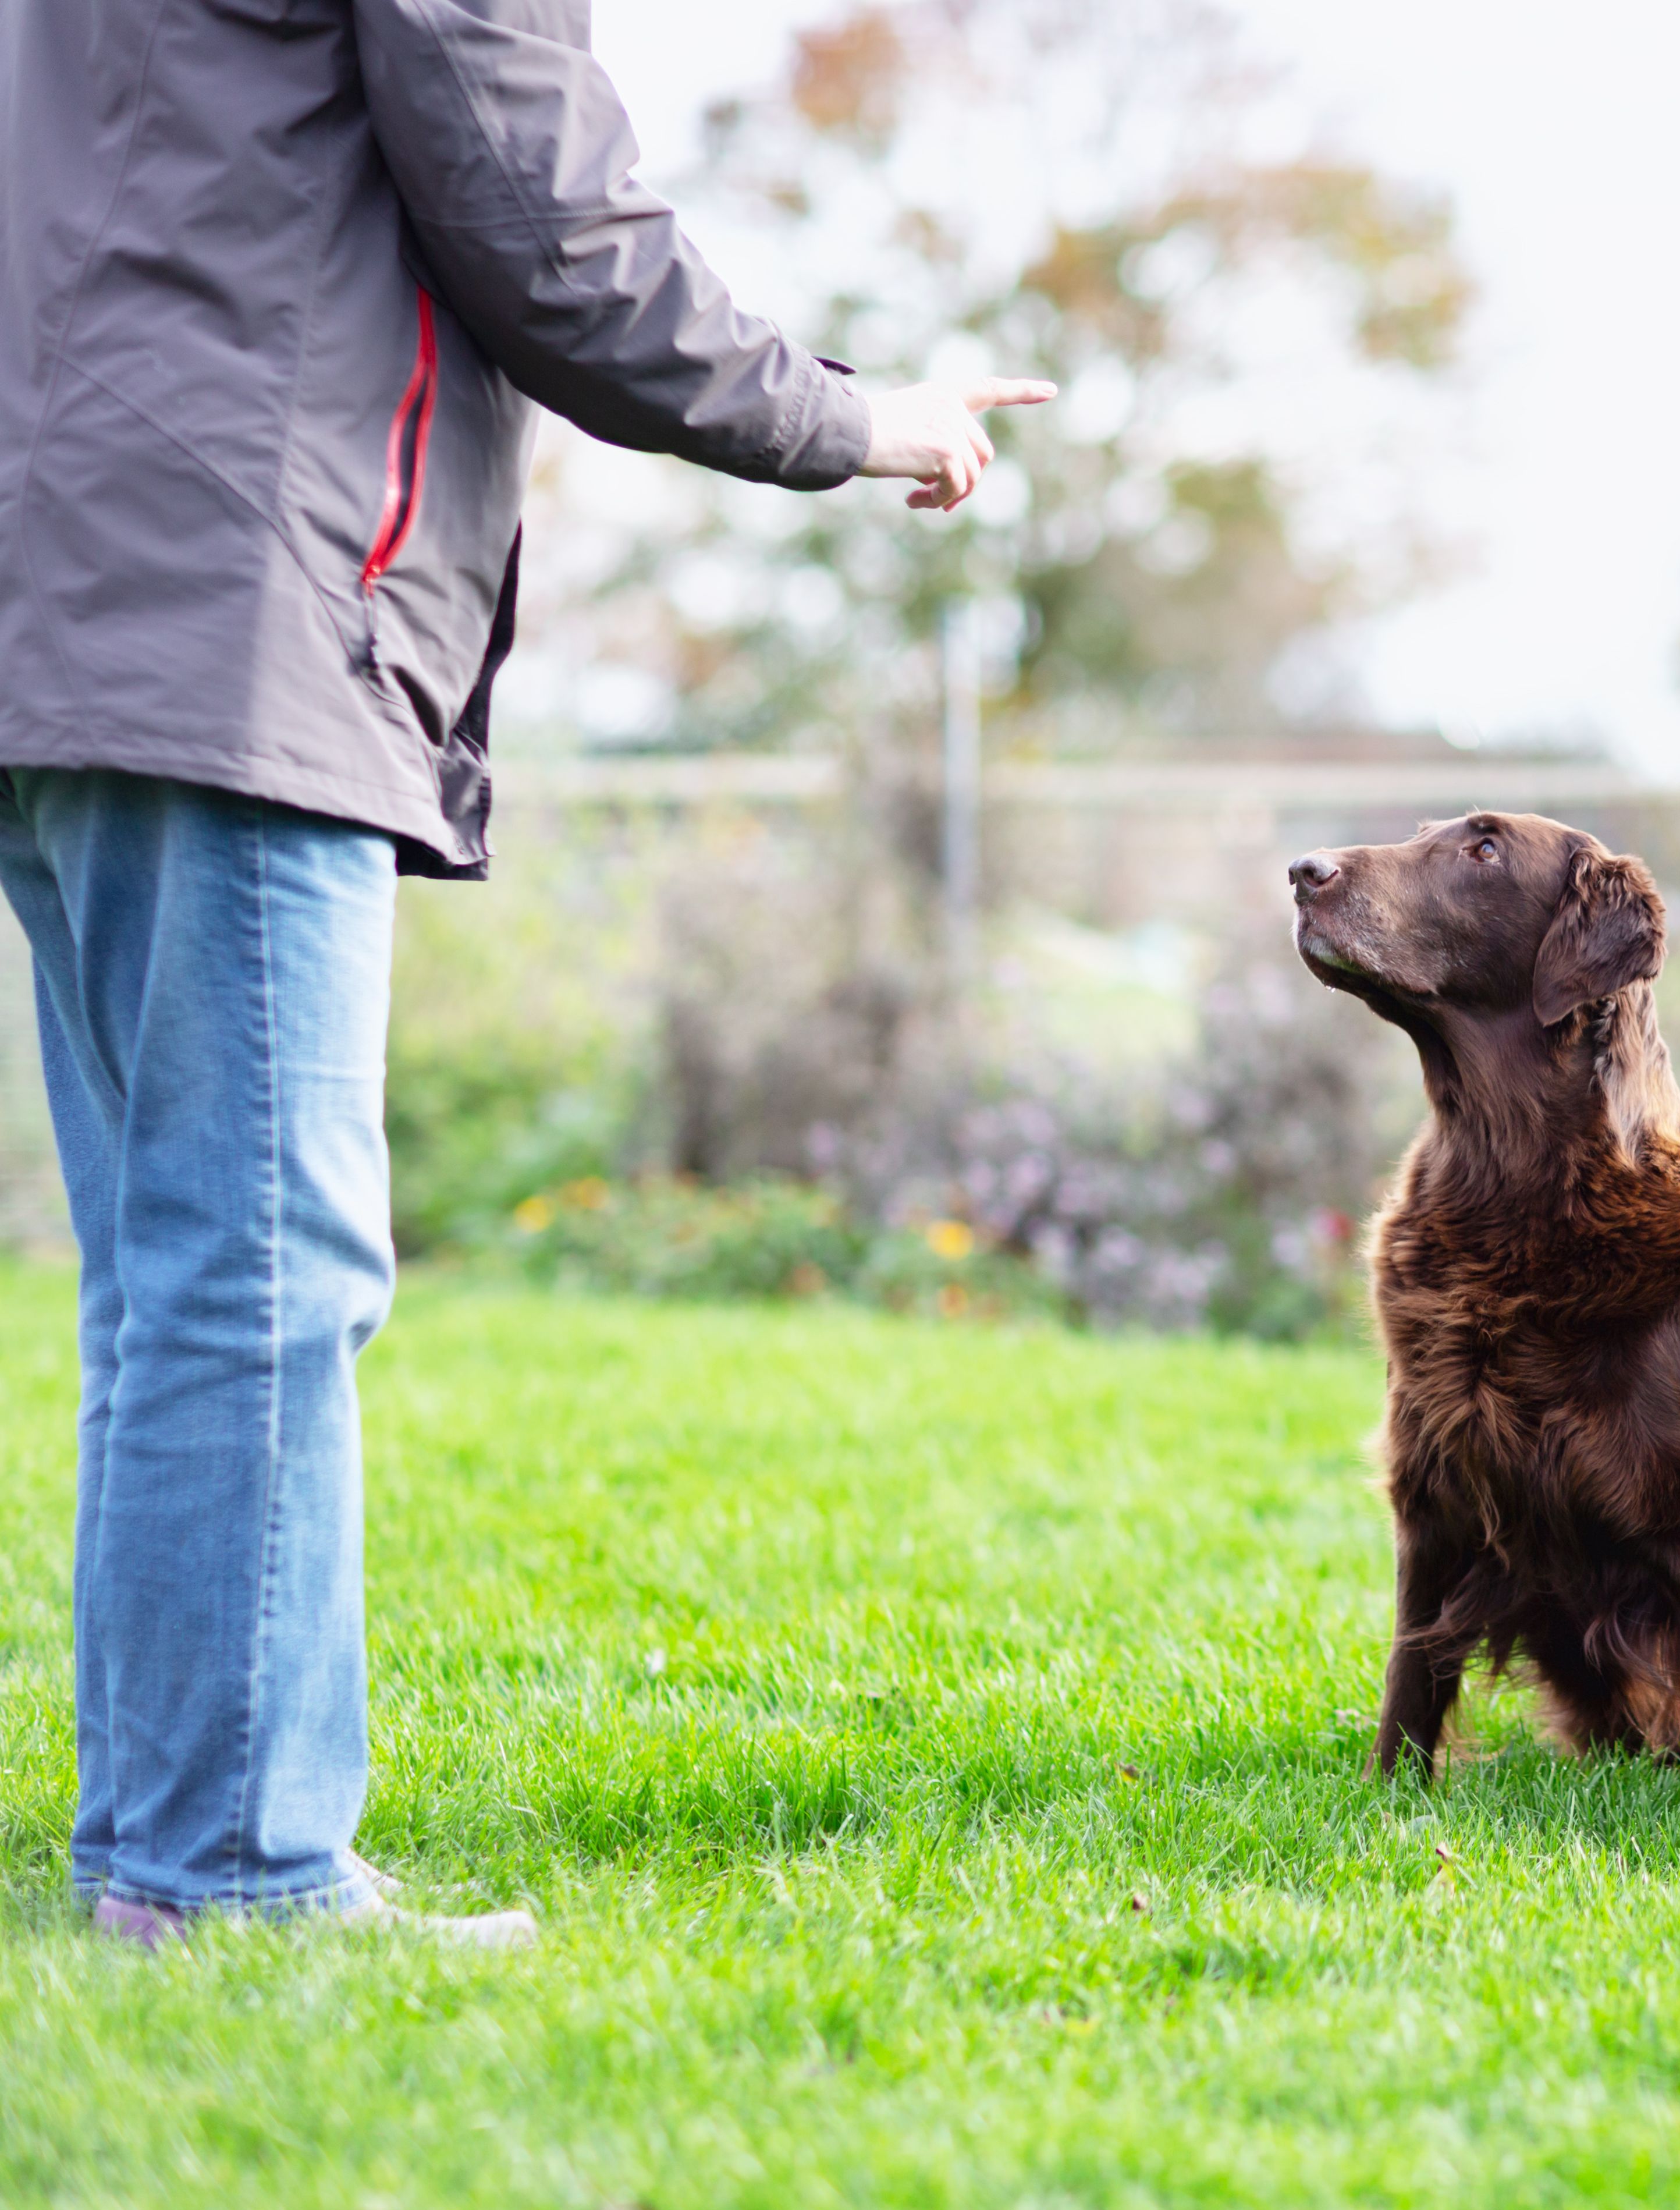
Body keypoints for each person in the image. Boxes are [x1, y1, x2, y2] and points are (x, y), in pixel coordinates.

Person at [0, 0, 1051, 1948]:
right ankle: (223, 1873)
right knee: (253, 1267)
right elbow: (541, 212)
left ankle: (163, 1851)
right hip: (234, 592)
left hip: (76, 591)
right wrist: (853, 416)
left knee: (174, 1276)